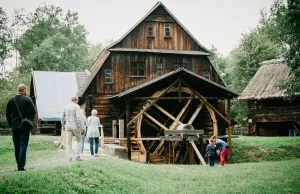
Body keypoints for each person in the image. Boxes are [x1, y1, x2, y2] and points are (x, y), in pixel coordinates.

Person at [6, 84, 36, 171]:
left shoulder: (11, 100)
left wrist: (11, 124)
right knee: (23, 145)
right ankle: (21, 167)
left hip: (14, 126)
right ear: (24, 90)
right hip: (24, 125)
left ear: (18, 90)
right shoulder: (27, 99)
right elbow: (33, 111)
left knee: (17, 146)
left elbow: (7, 114)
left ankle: (18, 165)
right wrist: (28, 117)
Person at [61, 96, 84, 162]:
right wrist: (80, 126)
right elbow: (78, 117)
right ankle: (78, 157)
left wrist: (63, 125)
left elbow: (62, 117)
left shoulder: (66, 106)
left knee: (68, 143)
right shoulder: (77, 106)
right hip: (75, 125)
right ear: (76, 100)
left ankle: (69, 158)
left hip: (67, 125)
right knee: (79, 140)